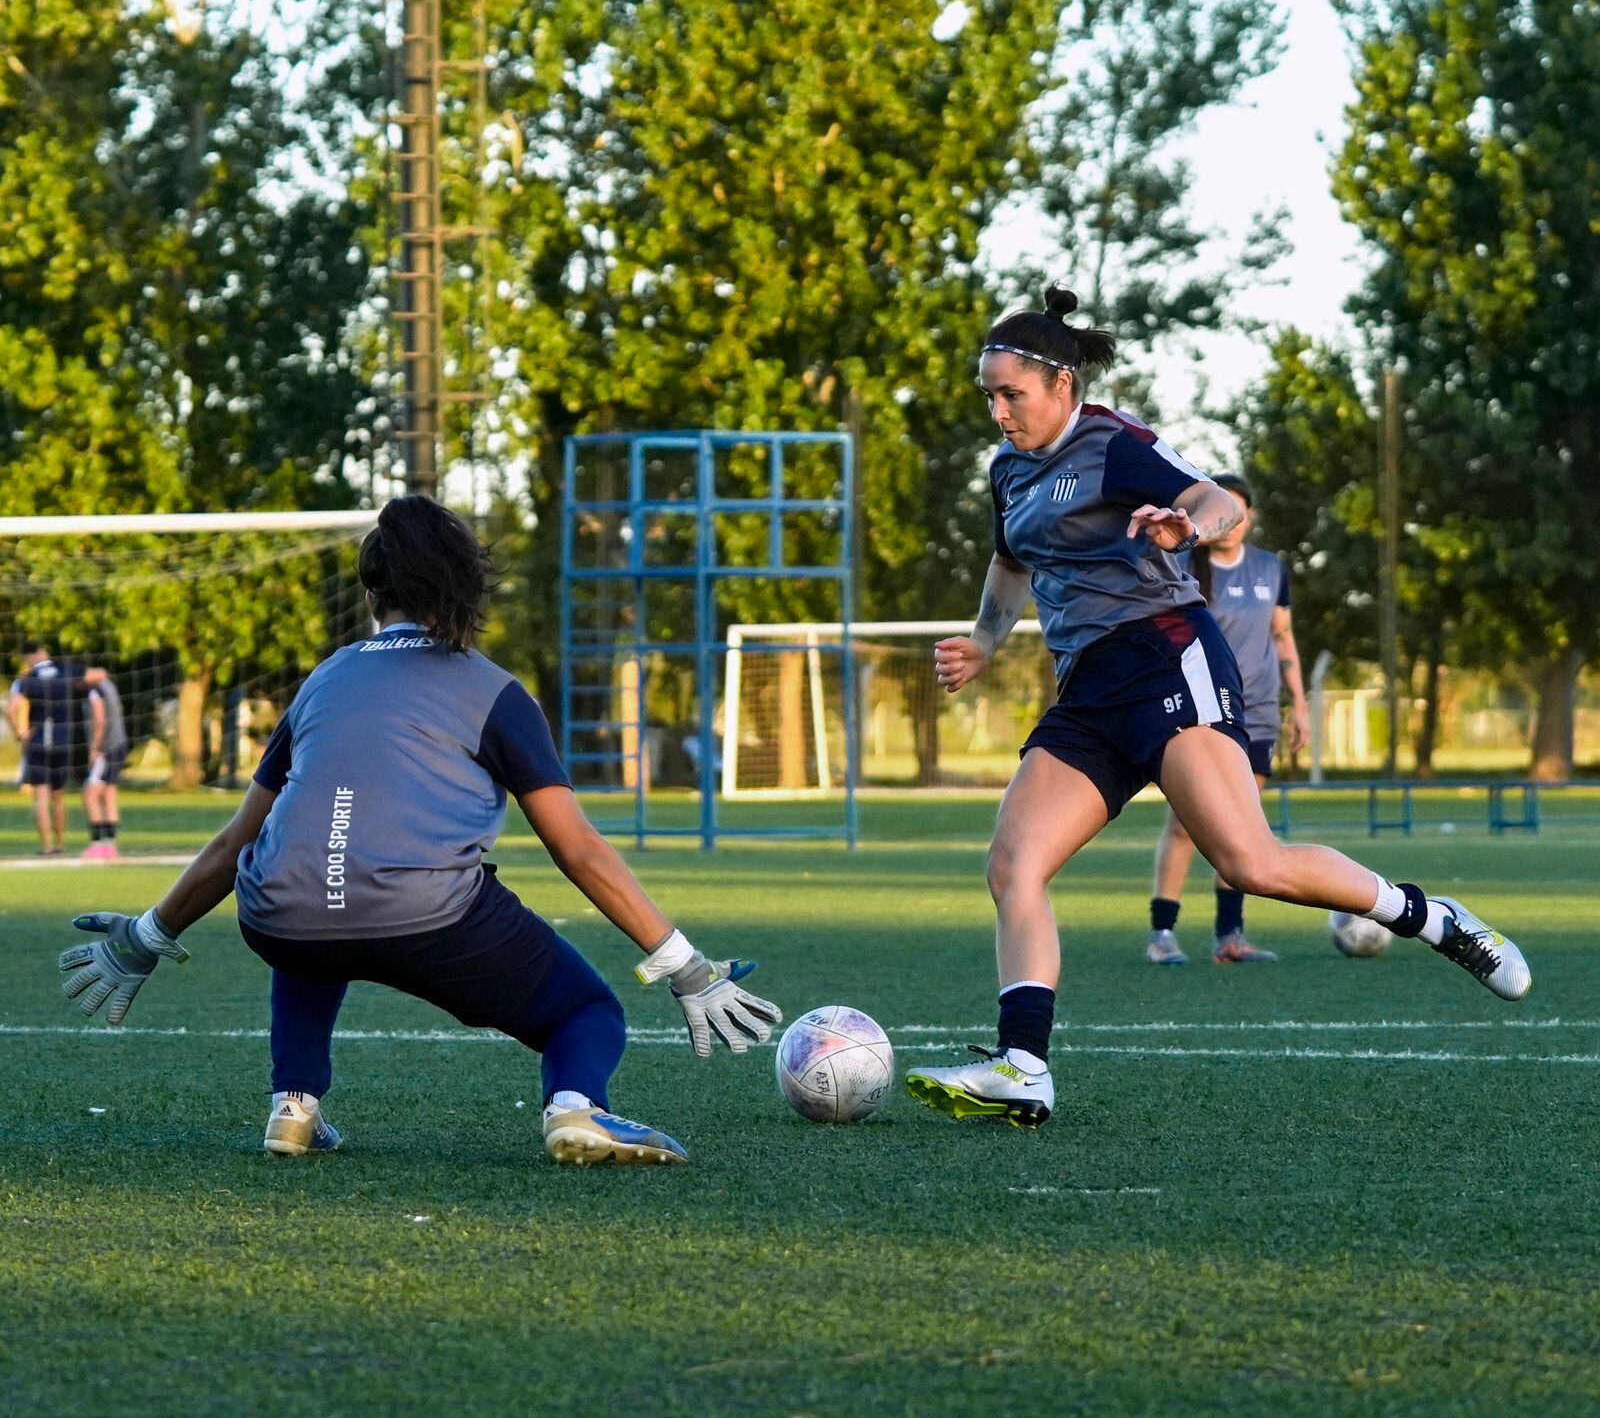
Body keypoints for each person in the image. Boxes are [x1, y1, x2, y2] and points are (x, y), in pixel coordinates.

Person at [903, 286, 1529, 1130]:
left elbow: (1218, 502)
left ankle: (1430, 917)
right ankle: (1024, 1066)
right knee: (1013, 866)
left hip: (1167, 655)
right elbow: (1010, 561)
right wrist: (984, 641)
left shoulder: (1111, 445)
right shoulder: (1008, 470)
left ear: (1061, 384)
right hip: (1087, 687)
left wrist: (1183, 528)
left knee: (1249, 864)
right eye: (989, 394)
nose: (998, 410)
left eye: (1011, 392)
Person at [56, 495, 781, 1166]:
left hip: (278, 914)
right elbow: (577, 848)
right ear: (470, 589)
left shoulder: (323, 678)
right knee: (586, 1009)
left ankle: (293, 1105)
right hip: (427, 917)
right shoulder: (495, 689)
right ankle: (575, 1108)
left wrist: (148, 935)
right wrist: (683, 966)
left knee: (304, 895)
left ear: (373, 595)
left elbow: (238, 841)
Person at [1146, 474, 1308, 965]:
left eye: (1239, 512)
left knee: (1243, 826)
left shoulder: (1271, 568)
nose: (1231, 522)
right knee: (1184, 824)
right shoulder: (1182, 566)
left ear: (1249, 517)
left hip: (1256, 713)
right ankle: (1162, 935)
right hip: (1199, 709)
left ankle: (1230, 937)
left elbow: (1283, 636)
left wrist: (1298, 703)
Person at [7, 643, 84, 857]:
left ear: (30, 657)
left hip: (38, 742)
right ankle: (60, 844)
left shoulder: (26, 679)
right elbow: (96, 675)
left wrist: (20, 734)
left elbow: (10, 709)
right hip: (62, 741)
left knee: (40, 796)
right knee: (58, 796)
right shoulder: (65, 671)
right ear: (45, 653)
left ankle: (47, 846)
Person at [81, 666, 130, 862]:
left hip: (106, 749)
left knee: (90, 794)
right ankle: (110, 845)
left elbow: (100, 721)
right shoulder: (109, 685)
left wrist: (95, 748)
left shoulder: (95, 690)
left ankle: (97, 844)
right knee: (109, 794)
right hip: (119, 744)